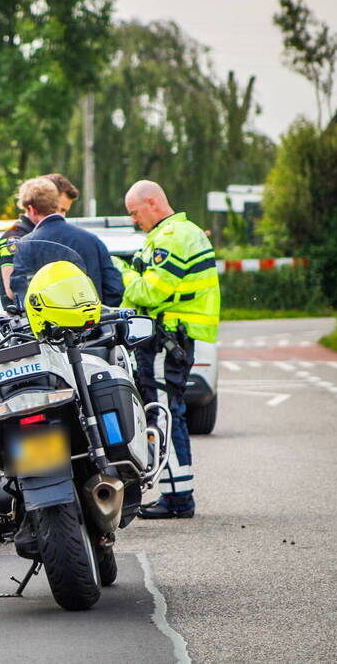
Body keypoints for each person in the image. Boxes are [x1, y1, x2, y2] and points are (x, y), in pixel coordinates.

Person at [115, 180, 220, 519]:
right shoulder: (171, 235)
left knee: (163, 413)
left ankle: (179, 500)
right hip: (168, 339)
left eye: (135, 212)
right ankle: (177, 494)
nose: (133, 220)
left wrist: (121, 275)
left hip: (165, 339)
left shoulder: (173, 238)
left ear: (152, 202)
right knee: (166, 413)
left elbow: (150, 292)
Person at [16, 177, 124, 306]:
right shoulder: (92, 240)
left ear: (31, 210)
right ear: (56, 204)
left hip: (46, 325)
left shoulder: (26, 245)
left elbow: (22, 295)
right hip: (92, 322)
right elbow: (115, 289)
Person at [0, 173, 82, 304]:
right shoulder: (14, 238)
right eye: (60, 209)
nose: (62, 216)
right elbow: (13, 292)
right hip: (24, 320)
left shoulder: (54, 237)